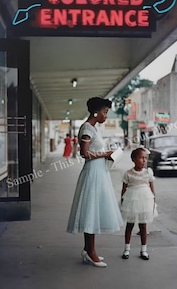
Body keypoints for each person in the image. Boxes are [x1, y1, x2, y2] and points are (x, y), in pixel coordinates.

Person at [67, 97, 123, 268]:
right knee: (91, 212)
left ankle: (87, 249)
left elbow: (92, 150)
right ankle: (91, 252)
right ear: (96, 112)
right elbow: (84, 153)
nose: (106, 115)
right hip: (93, 173)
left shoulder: (92, 128)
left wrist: (107, 153)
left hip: (99, 172)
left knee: (94, 211)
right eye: (105, 112)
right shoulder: (87, 128)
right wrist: (105, 154)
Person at [121, 147, 158, 260]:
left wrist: (153, 202)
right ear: (134, 159)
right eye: (141, 158)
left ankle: (144, 250)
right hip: (131, 201)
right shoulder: (128, 173)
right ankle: (127, 249)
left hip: (144, 201)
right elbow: (124, 189)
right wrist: (123, 203)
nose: (144, 160)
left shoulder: (148, 173)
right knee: (130, 225)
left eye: (145, 158)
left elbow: (152, 190)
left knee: (143, 225)